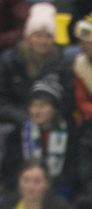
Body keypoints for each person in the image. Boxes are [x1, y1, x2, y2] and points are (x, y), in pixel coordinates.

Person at [0, 3, 75, 131]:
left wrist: (49, 116)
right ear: (28, 37)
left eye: (48, 36)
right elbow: (2, 100)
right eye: (38, 36)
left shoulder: (62, 61)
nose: (43, 41)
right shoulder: (10, 60)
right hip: (17, 120)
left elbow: (68, 98)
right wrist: (24, 117)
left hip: (52, 120)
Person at [1, 78, 76, 198]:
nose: (36, 111)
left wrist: (46, 185)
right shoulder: (17, 135)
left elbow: (75, 172)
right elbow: (9, 171)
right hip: (23, 191)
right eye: (33, 105)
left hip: (60, 190)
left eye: (42, 106)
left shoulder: (72, 134)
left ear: (55, 109)